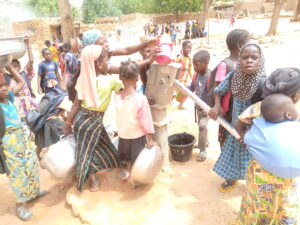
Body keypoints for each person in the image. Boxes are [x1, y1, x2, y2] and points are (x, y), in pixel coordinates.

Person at [230, 94, 300, 225]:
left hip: (261, 175)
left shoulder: (258, 126)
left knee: (258, 204)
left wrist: (246, 137)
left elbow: (244, 135)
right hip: (288, 178)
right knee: (284, 203)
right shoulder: (295, 127)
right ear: (288, 115)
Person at [63, 45, 122, 192]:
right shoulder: (92, 80)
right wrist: (68, 124)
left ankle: (117, 167)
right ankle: (92, 178)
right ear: (97, 63)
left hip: (91, 121)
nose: (108, 62)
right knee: (86, 151)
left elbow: (76, 105)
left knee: (103, 144)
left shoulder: (99, 79)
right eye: (105, 60)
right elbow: (76, 105)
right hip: (86, 122)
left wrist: (69, 123)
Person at [208, 43, 266, 193]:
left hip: (254, 131)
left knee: (253, 159)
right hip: (235, 127)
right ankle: (231, 178)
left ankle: (253, 185)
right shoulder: (234, 76)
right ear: (239, 60)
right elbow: (218, 90)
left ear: (260, 60)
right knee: (233, 154)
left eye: (254, 57)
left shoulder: (264, 83)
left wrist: (252, 132)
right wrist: (216, 106)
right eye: (245, 57)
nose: (249, 61)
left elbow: (267, 111)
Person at [0, 66, 46, 221]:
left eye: (5, 84)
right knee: (17, 172)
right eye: (0, 87)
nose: (5, 88)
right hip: (9, 144)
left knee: (31, 165)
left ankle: (33, 193)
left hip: (23, 138)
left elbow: (21, 82)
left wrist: (9, 68)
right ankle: (20, 205)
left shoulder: (10, 98)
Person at [207, 29, 250, 148]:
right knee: (226, 136)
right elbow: (217, 85)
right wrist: (217, 105)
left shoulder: (244, 64)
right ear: (240, 46)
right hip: (227, 110)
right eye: (249, 43)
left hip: (239, 108)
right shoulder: (225, 64)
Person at [115, 60, 155, 180]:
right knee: (137, 157)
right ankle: (136, 177)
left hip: (123, 134)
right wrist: (150, 138)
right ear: (137, 78)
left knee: (127, 157)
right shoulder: (140, 99)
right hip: (137, 135)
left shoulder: (116, 96)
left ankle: (127, 171)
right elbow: (145, 122)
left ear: (120, 78)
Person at [235, 67, 300, 139]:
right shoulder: (295, 111)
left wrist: (245, 138)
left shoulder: (259, 106)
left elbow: (239, 125)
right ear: (296, 96)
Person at [5, 38, 36, 121]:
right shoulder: (7, 79)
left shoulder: (25, 74)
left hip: (29, 105)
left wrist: (28, 45)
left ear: (19, 66)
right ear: (7, 68)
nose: (13, 68)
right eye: (10, 66)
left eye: (15, 66)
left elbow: (31, 60)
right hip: (17, 107)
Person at [189, 50, 211, 162]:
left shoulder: (210, 77)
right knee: (201, 125)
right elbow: (192, 88)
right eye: (193, 64)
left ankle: (202, 151)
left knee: (202, 126)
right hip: (198, 106)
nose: (194, 67)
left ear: (206, 63)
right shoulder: (195, 75)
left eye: (196, 64)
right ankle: (205, 142)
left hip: (207, 108)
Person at [175, 40, 193, 109]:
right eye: (187, 47)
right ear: (182, 48)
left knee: (187, 92)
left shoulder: (189, 59)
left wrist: (193, 79)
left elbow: (190, 70)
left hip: (185, 80)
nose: (189, 49)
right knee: (175, 92)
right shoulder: (179, 58)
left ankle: (180, 105)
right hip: (178, 79)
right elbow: (174, 68)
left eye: (190, 48)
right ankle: (170, 102)